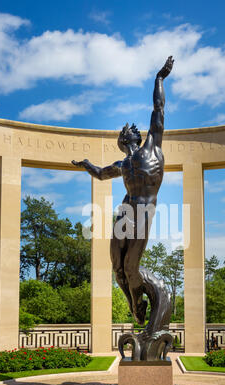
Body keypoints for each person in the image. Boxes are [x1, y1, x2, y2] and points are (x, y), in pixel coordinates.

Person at [72, 56, 174, 325]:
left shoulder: (152, 148)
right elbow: (100, 173)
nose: (123, 133)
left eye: (125, 131)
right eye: (122, 132)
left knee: (131, 268)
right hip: (124, 213)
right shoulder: (123, 164)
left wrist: (159, 78)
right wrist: (85, 164)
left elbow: (158, 109)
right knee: (117, 268)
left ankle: (141, 304)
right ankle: (134, 305)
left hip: (142, 213)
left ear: (132, 137)